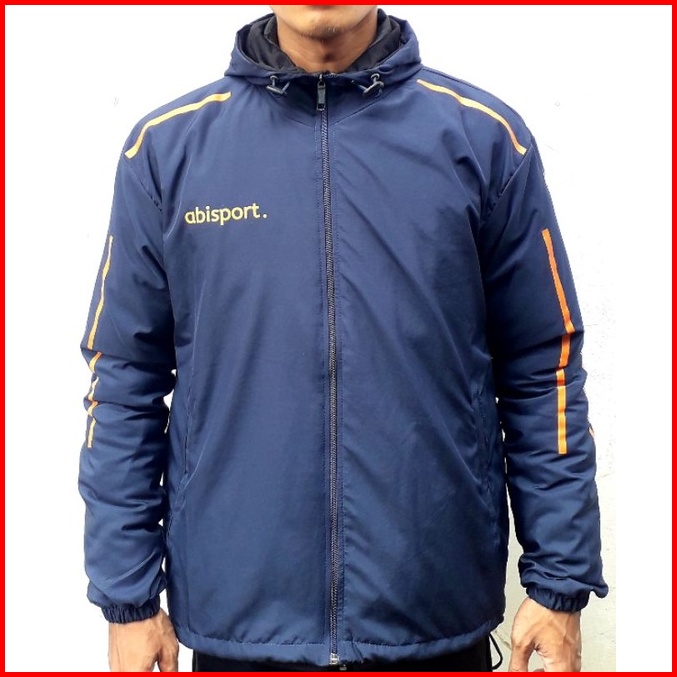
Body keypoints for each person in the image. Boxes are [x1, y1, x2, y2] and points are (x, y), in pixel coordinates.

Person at [79, 5, 607, 672]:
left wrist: (559, 583)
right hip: (240, 623)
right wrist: (128, 599)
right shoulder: (166, 149)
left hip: (431, 620)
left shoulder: (483, 139)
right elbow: (124, 379)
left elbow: (542, 368)